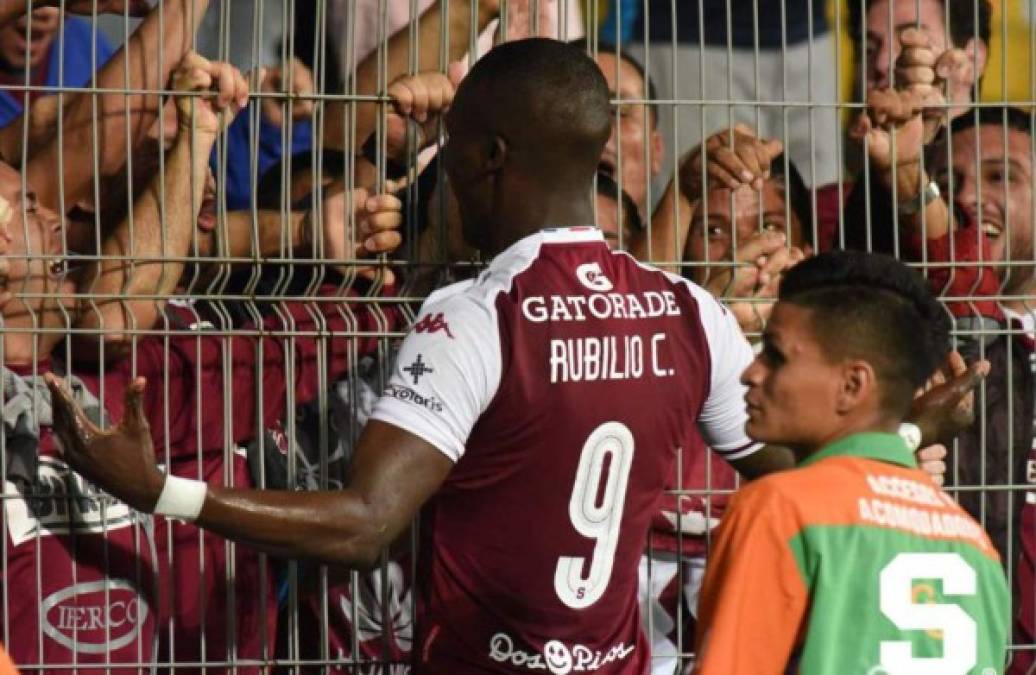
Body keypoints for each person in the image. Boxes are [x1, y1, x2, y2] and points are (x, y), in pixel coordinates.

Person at [45, 38, 980, 674]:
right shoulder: (686, 309)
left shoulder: (478, 315)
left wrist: (159, 490)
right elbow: (789, 463)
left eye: (451, 152)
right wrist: (893, 435)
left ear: (488, 158)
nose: (444, 172)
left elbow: (368, 520)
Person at [694, 250, 1009, 674]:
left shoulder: (781, 510)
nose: (750, 372)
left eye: (775, 355)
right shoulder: (975, 547)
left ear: (851, 385)